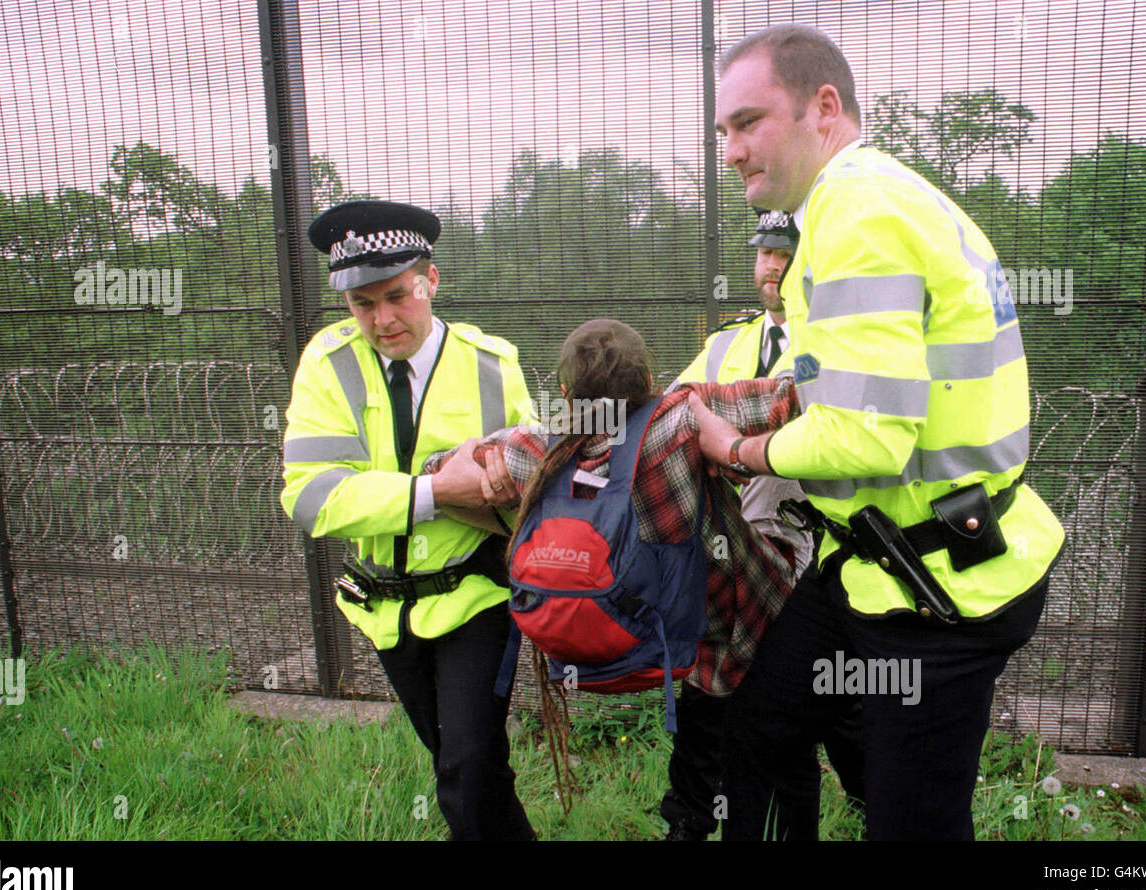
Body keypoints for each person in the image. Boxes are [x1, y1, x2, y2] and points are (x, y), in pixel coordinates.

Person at [689, 25, 1066, 840]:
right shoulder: (872, 198)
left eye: (748, 122)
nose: (730, 151)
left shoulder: (856, 213)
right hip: (874, 555)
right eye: (723, 131)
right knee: (762, 715)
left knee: (913, 822)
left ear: (824, 107)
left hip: (936, 587)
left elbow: (865, 439)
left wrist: (740, 450)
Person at [421, 319, 804, 827]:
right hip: (733, 621)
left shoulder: (538, 448)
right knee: (752, 741)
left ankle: (688, 822)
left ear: (564, 391)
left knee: (704, 730)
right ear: (650, 377)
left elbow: (435, 471)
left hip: (652, 635)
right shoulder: (682, 417)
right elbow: (790, 400)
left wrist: (489, 473)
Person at [278, 200, 538, 840]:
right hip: (384, 607)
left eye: (398, 296)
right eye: (362, 304)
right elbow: (311, 496)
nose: (382, 319)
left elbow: (532, 482)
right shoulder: (327, 363)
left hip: (478, 595)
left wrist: (506, 482)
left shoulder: (492, 363)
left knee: (468, 762)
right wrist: (435, 490)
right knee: (466, 764)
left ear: (432, 279)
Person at [657, 209, 866, 842]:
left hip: (814, 548)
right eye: (764, 253)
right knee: (710, 693)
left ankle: (872, 801)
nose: (771, 267)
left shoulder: (835, 343)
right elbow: (673, 413)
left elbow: (803, 411)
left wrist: (725, 431)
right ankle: (690, 821)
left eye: (787, 253)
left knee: (830, 702)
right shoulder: (725, 344)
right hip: (733, 552)